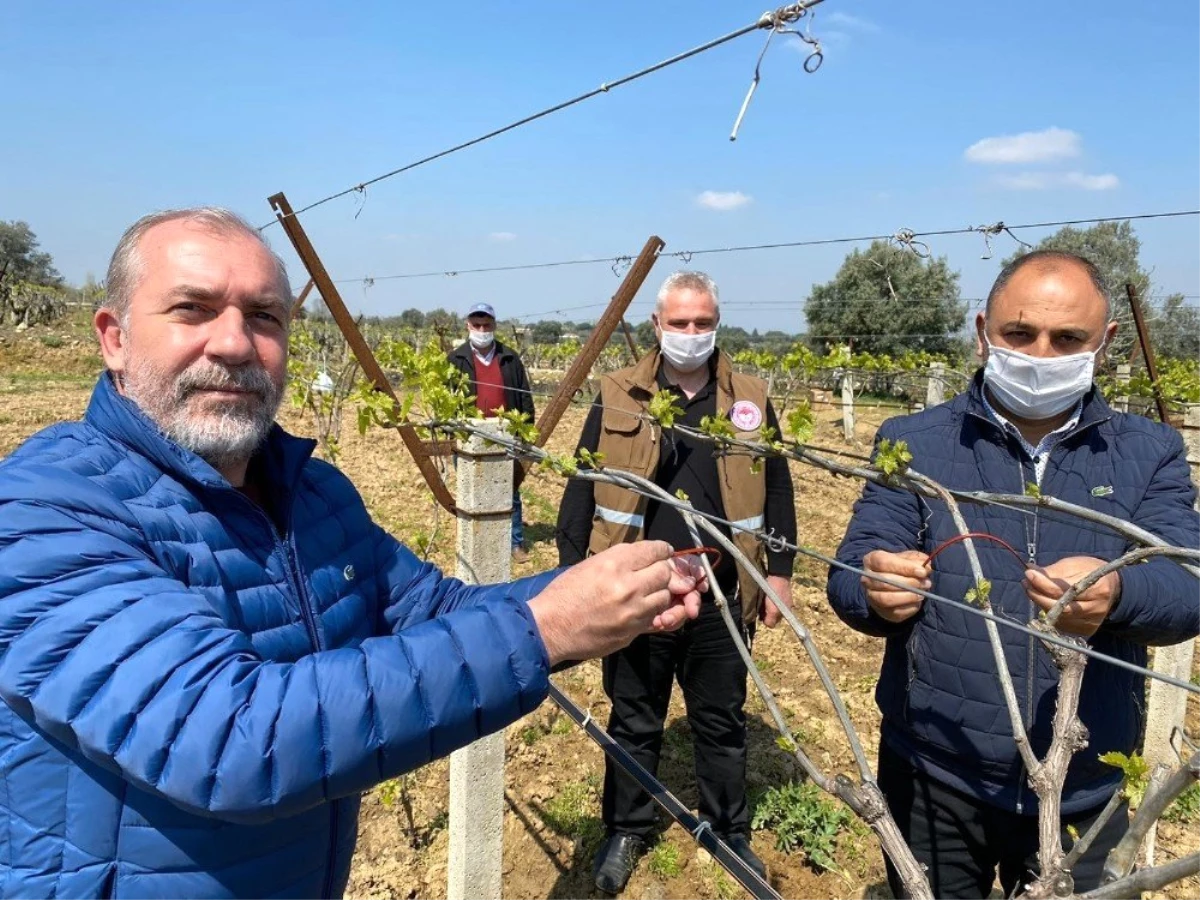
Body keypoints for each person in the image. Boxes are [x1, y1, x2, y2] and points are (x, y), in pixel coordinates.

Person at [0, 208, 709, 899]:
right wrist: (548, 626)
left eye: (264, 317)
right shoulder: (47, 509)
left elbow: (437, 610)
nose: (235, 343)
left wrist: (606, 592)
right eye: (192, 309)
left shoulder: (313, 495)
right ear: (114, 337)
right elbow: (229, 740)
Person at [827, 250, 1200, 899]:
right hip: (934, 775)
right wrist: (873, 584)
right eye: (1019, 334)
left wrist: (1119, 592)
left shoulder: (1150, 452)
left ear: (1105, 344)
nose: (1040, 353)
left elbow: (1187, 587)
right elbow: (851, 566)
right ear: (982, 332)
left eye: (1068, 339)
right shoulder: (914, 441)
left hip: (1087, 786)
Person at [556, 271, 797, 893]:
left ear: (717, 322)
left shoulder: (749, 396)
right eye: (680, 323)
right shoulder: (619, 393)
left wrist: (780, 574)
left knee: (721, 717)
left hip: (723, 589)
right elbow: (581, 487)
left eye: (704, 322)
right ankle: (627, 829)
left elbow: (777, 486)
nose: (693, 334)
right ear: (657, 325)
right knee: (635, 714)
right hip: (641, 585)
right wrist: (574, 574)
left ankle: (729, 831)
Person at [447, 303, 536, 560]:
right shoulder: (455, 359)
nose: (482, 330)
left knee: (510, 490)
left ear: (494, 326)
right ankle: (474, 541)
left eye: (487, 325)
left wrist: (525, 430)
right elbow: (445, 400)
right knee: (470, 489)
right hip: (469, 436)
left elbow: (525, 396)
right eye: (477, 325)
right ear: (468, 326)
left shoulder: (509, 358)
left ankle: (515, 543)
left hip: (505, 433)